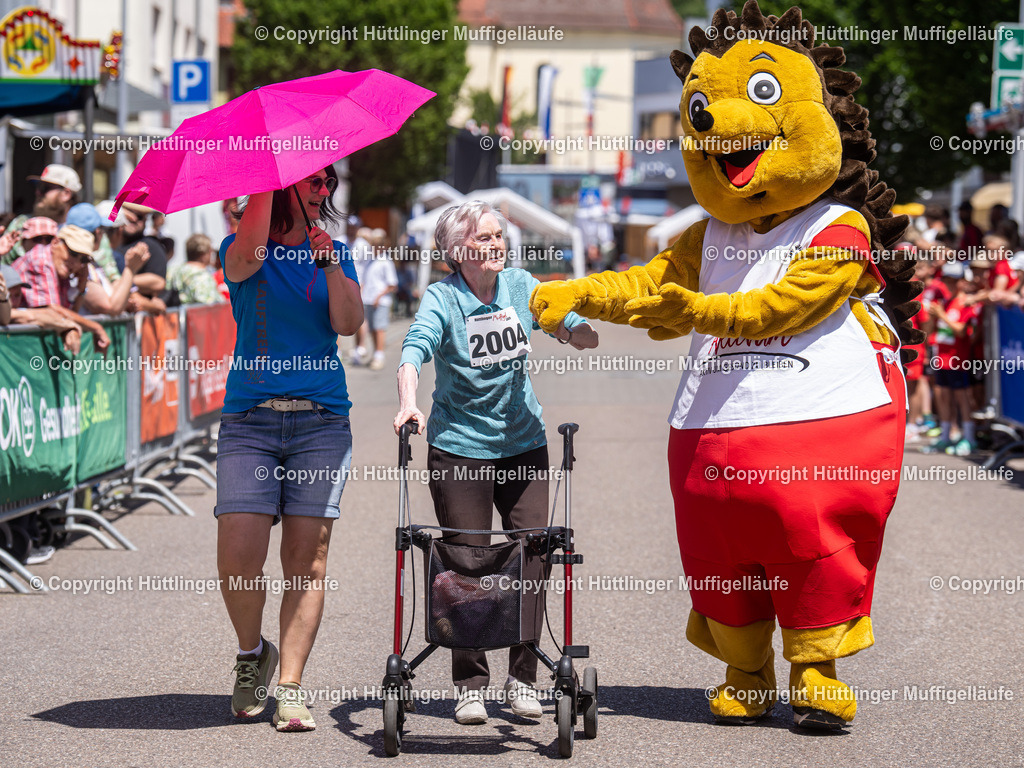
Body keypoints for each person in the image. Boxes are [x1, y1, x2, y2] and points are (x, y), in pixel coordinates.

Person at [394, 201, 598, 725]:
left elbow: (578, 329)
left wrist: (570, 328)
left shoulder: (520, 285)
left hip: (524, 443)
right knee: (468, 561)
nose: (495, 244)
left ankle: (524, 678)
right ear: (457, 250)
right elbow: (414, 350)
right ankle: (470, 684)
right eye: (483, 237)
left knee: (533, 554)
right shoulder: (444, 298)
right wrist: (408, 402)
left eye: (498, 235)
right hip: (460, 446)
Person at [216, 165, 362, 732]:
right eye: (312, 180)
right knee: (238, 557)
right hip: (250, 420)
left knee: (308, 560)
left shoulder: (336, 250)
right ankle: (252, 655)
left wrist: (329, 265)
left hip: (321, 421)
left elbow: (348, 323)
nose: (322, 190)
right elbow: (247, 257)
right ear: (280, 185)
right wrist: (266, 175)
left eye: (328, 182)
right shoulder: (240, 245)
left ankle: (292, 686)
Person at [0, 165, 82, 264]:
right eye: (37, 187)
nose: (38, 192)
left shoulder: (79, 231)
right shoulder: (22, 223)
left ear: (66, 194)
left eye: (44, 188)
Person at [360, 230, 397, 370]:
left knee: (379, 328)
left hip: (379, 301)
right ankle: (376, 353)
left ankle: (379, 355)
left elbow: (392, 284)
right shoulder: (370, 261)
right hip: (369, 299)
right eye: (374, 244)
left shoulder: (386, 262)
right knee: (372, 329)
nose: (376, 247)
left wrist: (379, 296)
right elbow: (366, 280)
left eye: (378, 245)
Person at [166, 234, 222, 306]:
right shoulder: (202, 276)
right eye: (210, 251)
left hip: (177, 315)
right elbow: (209, 306)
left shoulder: (173, 271)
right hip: (198, 316)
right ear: (203, 254)